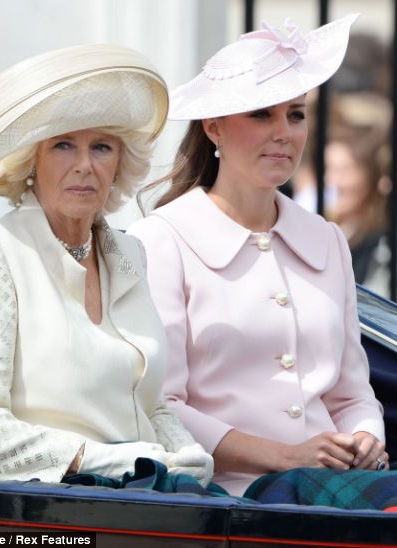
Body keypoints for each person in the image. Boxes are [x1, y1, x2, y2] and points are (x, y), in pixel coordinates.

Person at [129, 14, 388, 497]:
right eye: (260, 114)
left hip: (333, 489)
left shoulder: (326, 239)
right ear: (213, 128)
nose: (284, 132)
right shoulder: (161, 240)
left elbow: (353, 394)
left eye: (295, 113)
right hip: (222, 495)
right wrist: (285, 456)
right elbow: (158, 403)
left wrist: (365, 437)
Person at [0, 44, 213, 485]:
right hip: (56, 503)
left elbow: (149, 404)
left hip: (154, 490)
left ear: (120, 163)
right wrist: (103, 461)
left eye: (101, 147)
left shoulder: (131, 254)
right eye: (63, 146)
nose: (85, 166)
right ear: (33, 161)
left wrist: (188, 452)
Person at [325, 124, 392, 297]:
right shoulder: (328, 230)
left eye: (344, 170)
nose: (332, 180)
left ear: (370, 176)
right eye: (328, 169)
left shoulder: (381, 244)